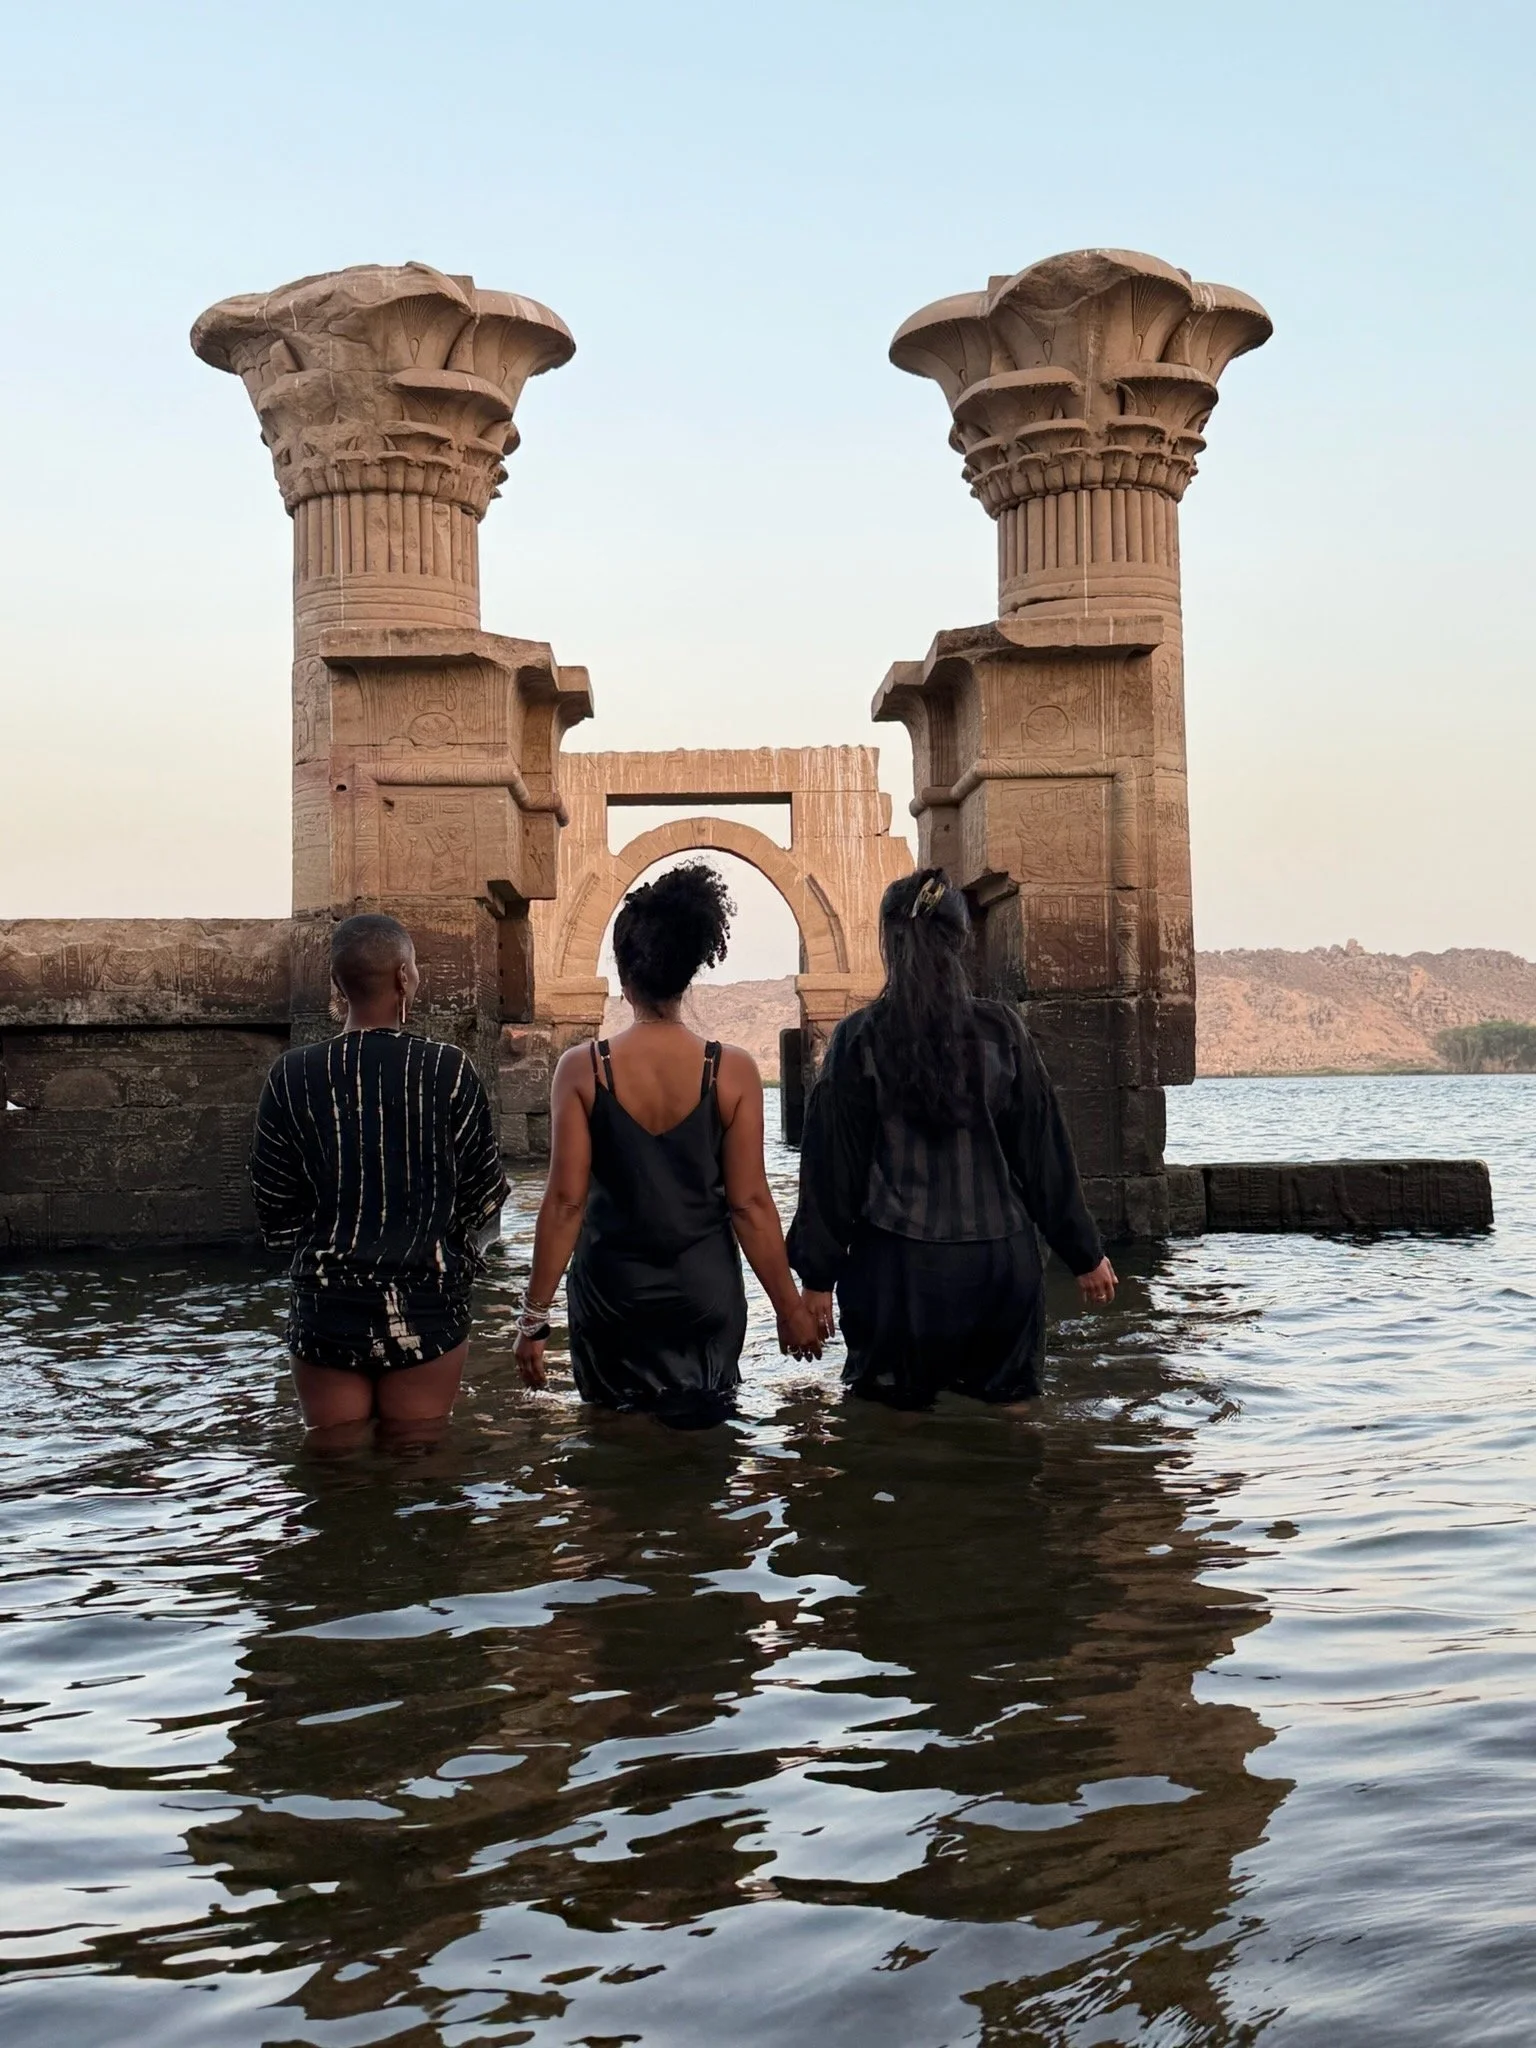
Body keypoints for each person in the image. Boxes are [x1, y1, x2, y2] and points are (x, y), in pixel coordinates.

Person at [786, 868, 1117, 1409]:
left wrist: (817, 1278)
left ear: (888, 943)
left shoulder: (858, 1039)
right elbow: (1044, 1153)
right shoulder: (1002, 1031)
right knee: (1013, 1423)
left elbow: (831, 1171)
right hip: (999, 1264)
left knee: (894, 1437)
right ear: (960, 939)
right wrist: (1085, 1254)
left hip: (896, 1270)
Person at [512, 862, 821, 1427]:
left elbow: (564, 1204)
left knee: (611, 1449)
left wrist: (533, 1317)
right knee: (706, 1448)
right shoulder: (731, 1072)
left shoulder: (582, 1071)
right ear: (688, 973)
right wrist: (788, 1308)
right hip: (702, 1295)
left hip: (611, 1296)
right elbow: (750, 1205)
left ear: (625, 978)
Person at [248, 913, 508, 1443]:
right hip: (426, 1302)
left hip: (326, 1302)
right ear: (404, 978)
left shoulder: (292, 1075)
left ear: (337, 986)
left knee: (336, 1469)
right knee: (419, 1464)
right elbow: (483, 1192)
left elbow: (273, 1201)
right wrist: (453, 1257)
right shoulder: (449, 1070)